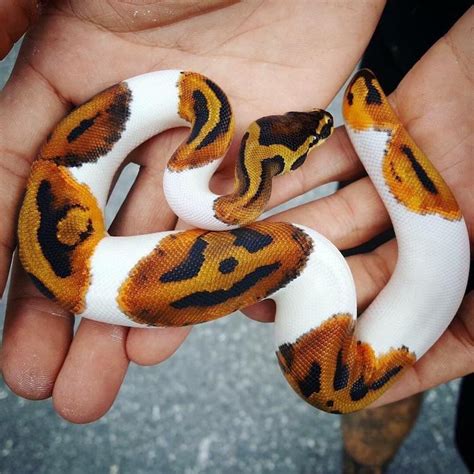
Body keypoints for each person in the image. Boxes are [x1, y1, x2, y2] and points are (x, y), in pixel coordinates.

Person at [0, 0, 472, 455]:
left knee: (336, 381)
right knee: (336, 375)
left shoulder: (207, 113)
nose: (321, 126)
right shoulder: (206, 134)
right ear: (278, 160)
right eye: (313, 136)